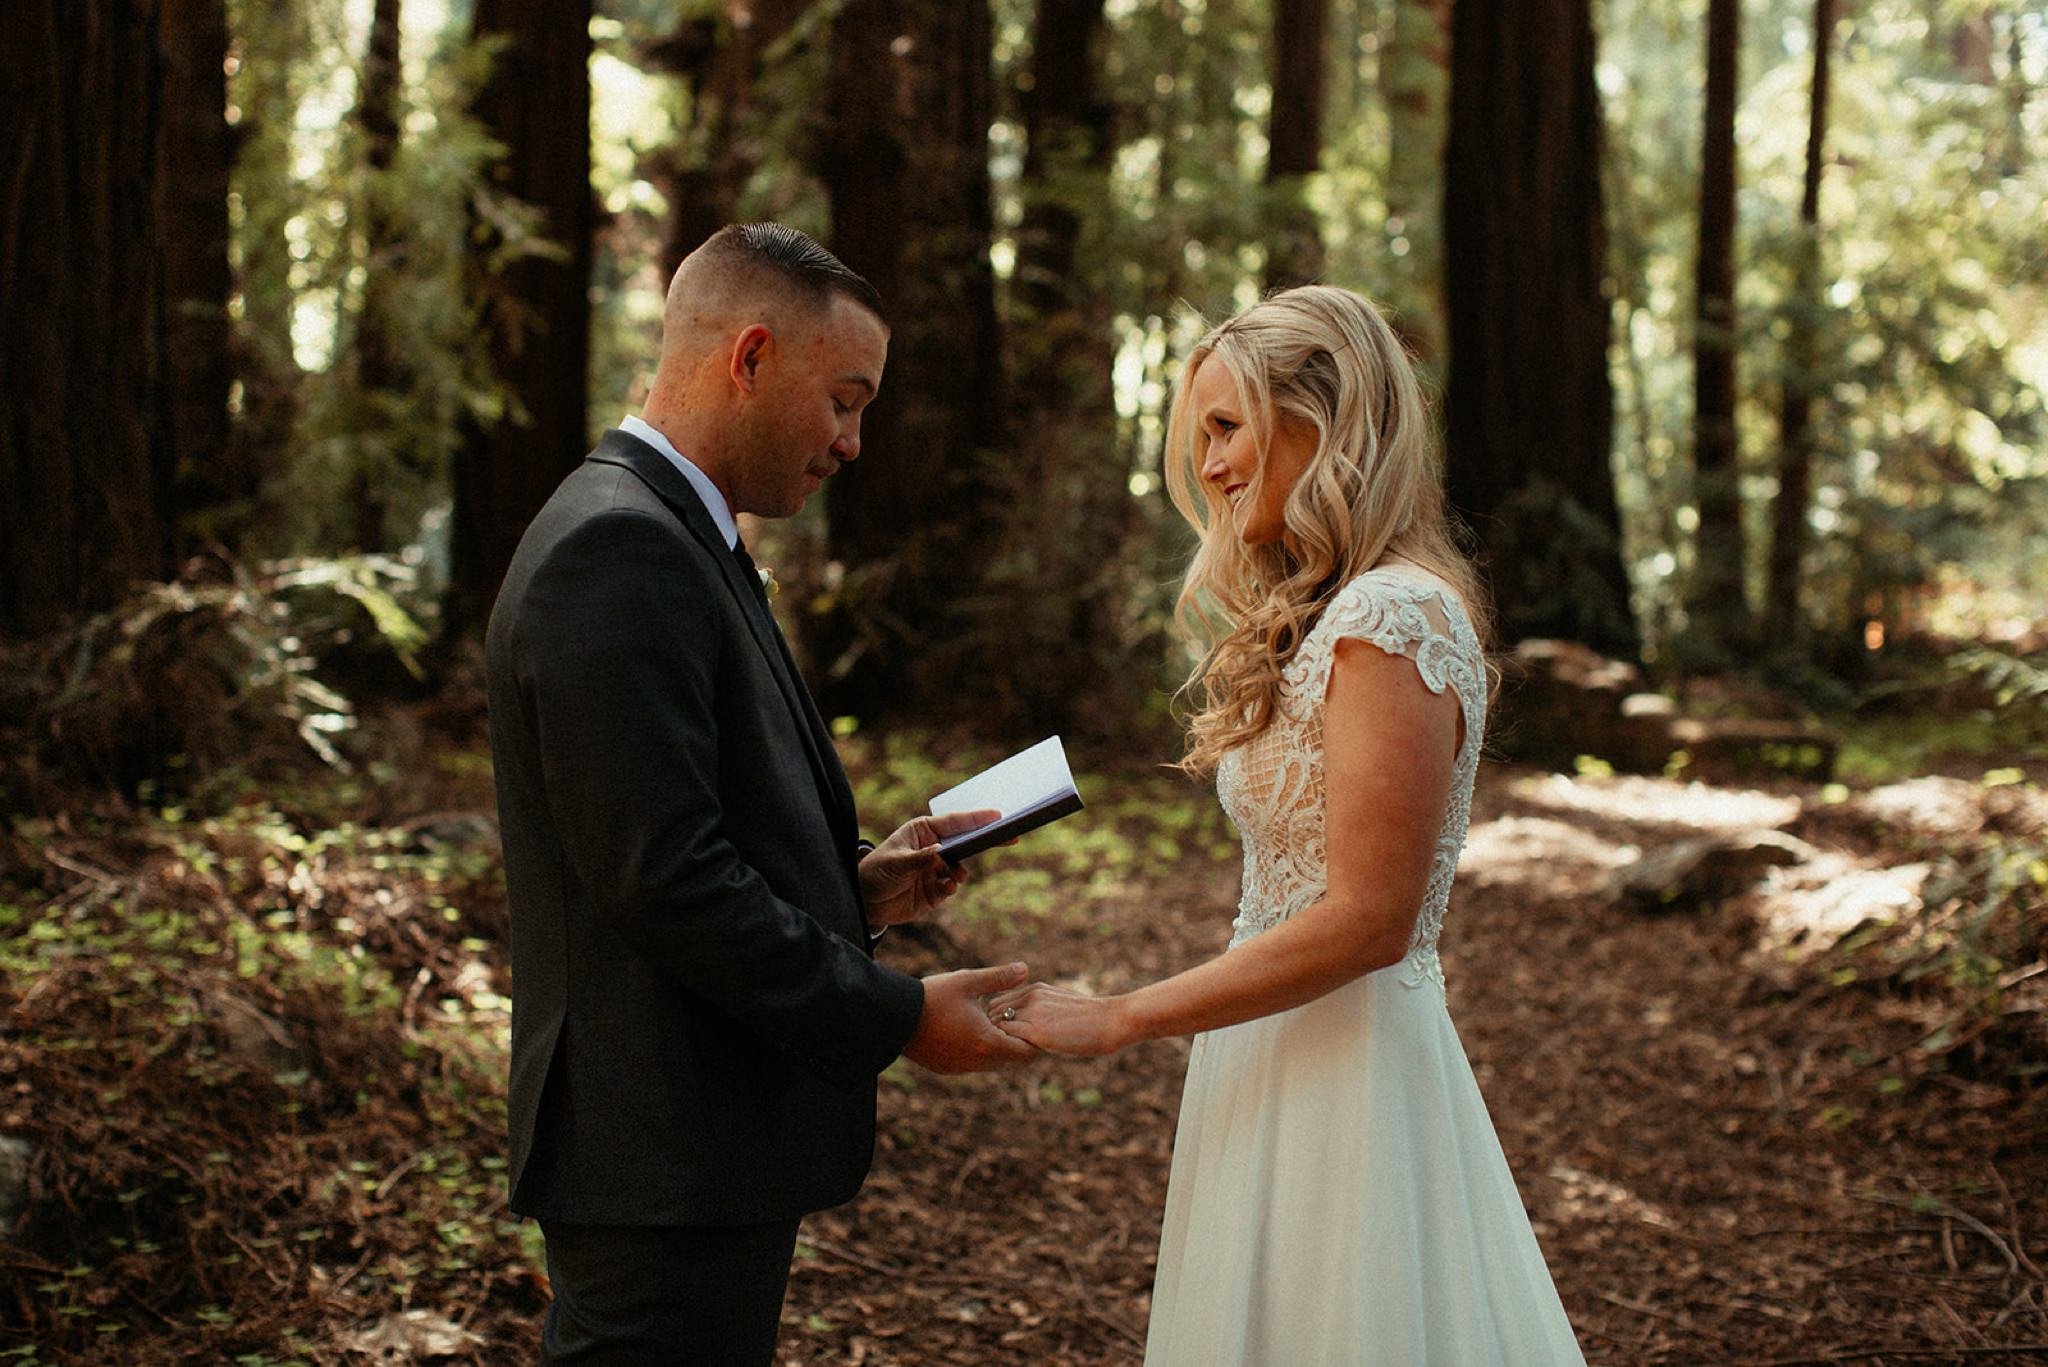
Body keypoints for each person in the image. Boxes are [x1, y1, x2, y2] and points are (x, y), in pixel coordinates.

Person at [989, 286, 1584, 1364]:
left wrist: (1121, 1014)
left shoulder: (1388, 616)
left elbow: (1369, 919)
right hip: (1268, 1042)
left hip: (1345, 1073)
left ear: (1328, 417)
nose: (1207, 466)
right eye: (1201, 434)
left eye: (1225, 427)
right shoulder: (1332, 612)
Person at [484, 222, 1036, 1365]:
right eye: (843, 400)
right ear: (747, 358)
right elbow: (665, 879)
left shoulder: (675, 530)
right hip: (657, 1146)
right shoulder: (620, 549)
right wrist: (899, 1015)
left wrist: (855, 888)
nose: (852, 441)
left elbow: (675, 827)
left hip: (694, 1138)